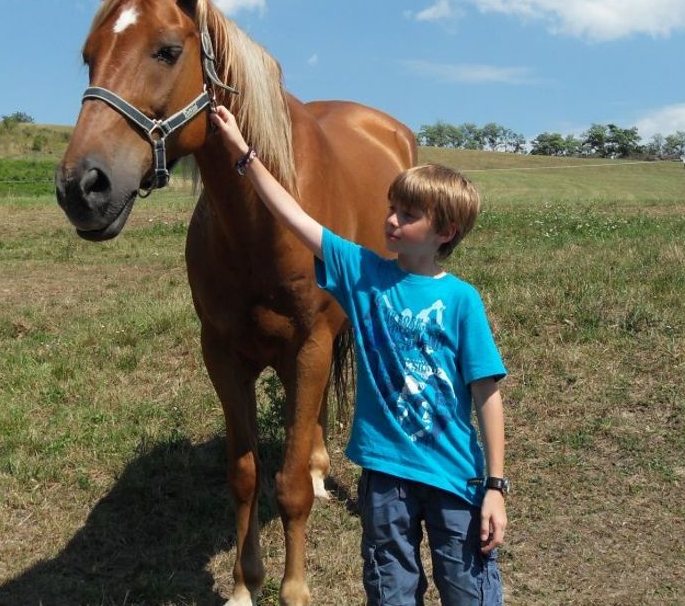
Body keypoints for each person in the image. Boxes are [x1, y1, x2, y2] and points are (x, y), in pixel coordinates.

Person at [210, 105, 508, 605]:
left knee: (468, 591)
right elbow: (292, 216)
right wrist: (243, 153)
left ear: (446, 232)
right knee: (390, 592)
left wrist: (495, 485)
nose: (388, 220)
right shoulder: (363, 272)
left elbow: (487, 394)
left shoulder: (462, 301)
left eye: (407, 215)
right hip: (386, 477)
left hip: (455, 480)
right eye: (391, 208)